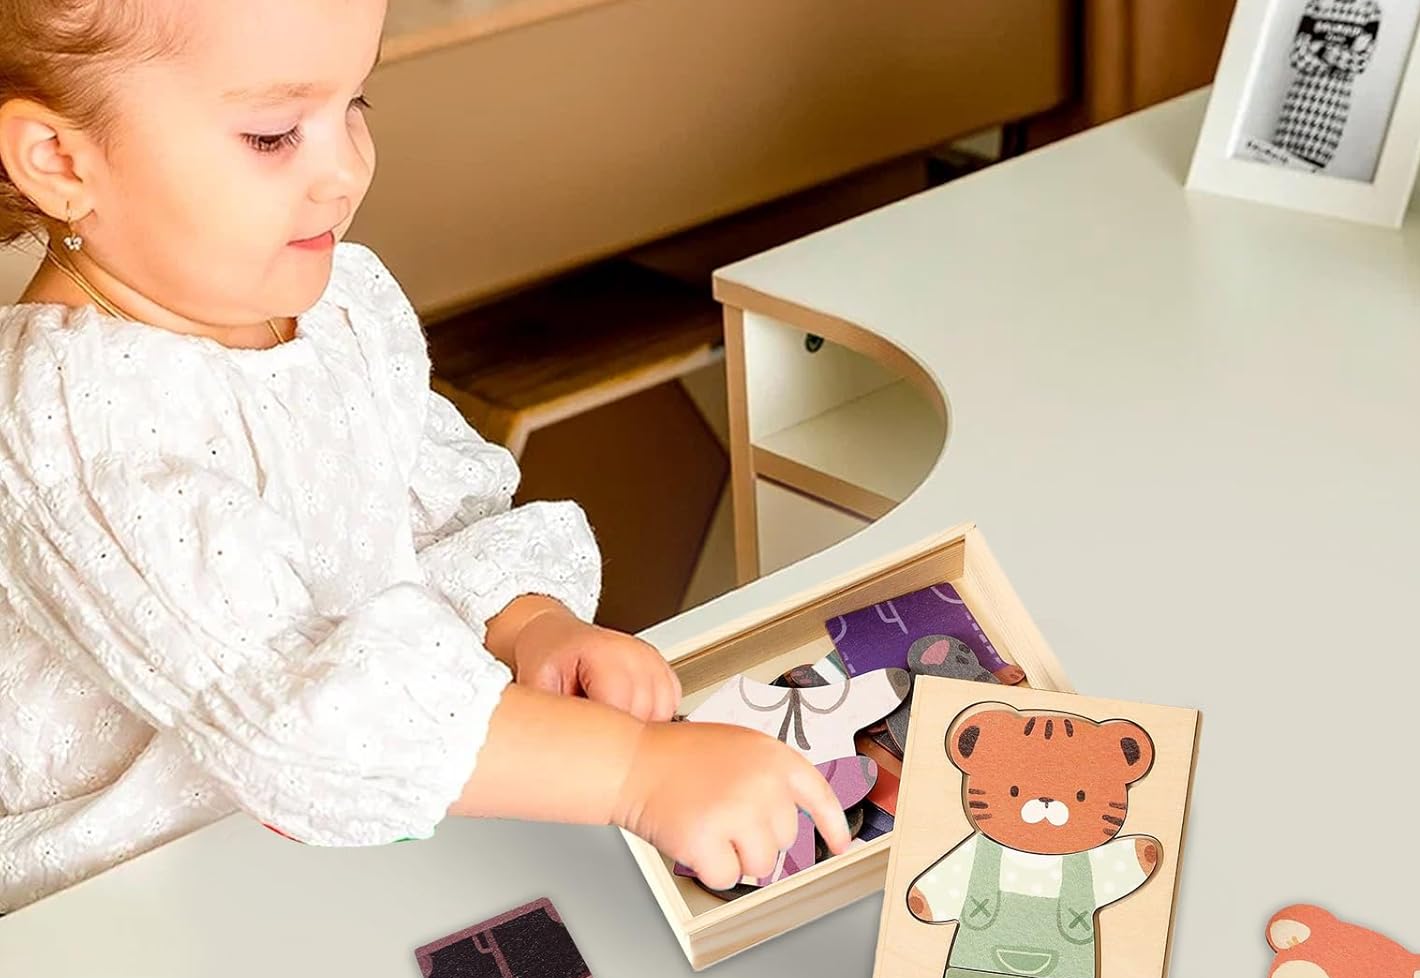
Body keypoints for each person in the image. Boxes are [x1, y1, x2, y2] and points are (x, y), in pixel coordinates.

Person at [0, 0, 848, 913]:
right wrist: (635, 771)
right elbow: (291, 721)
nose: (345, 171)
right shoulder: (71, 424)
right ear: (60, 161)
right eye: (274, 135)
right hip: (135, 905)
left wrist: (527, 623)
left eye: (355, 104)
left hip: (362, 827)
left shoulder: (339, 306)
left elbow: (433, 512)